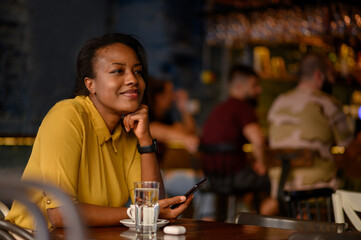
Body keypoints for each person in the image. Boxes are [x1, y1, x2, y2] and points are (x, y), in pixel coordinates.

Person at [5, 33, 192, 230]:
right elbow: (61, 215)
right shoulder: (67, 116)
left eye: (137, 71)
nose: (133, 79)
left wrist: (146, 140)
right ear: (90, 84)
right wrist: (136, 213)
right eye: (118, 71)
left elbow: (151, 208)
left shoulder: (129, 131)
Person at [267, 53, 353, 199]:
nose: (334, 80)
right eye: (332, 75)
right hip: (319, 186)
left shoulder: (278, 101)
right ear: (319, 76)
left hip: (280, 184)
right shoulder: (329, 103)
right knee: (354, 185)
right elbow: (348, 147)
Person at [201, 64, 277, 216]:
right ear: (240, 86)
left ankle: (240, 218)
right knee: (275, 180)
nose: (259, 90)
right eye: (255, 86)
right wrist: (262, 164)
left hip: (212, 177)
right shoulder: (243, 107)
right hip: (234, 177)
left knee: (252, 178)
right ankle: (253, 223)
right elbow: (258, 140)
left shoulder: (219, 108)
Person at [147, 78, 215, 220]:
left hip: (162, 174)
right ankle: (208, 222)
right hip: (152, 177)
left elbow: (189, 132)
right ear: (159, 97)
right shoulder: (147, 116)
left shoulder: (166, 118)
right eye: (170, 93)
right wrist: (184, 138)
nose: (173, 97)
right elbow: (154, 130)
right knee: (203, 183)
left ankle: (204, 222)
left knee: (201, 182)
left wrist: (184, 109)